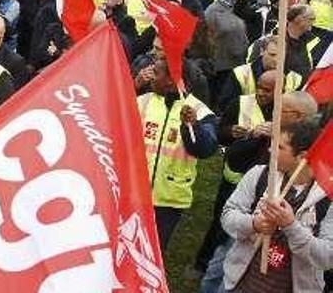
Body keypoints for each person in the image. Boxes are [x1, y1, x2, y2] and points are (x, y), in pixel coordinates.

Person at [221, 119, 333, 293]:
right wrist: (254, 223)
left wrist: (291, 226)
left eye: (280, 147)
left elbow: (327, 257)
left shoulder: (327, 198)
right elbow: (228, 215)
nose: (270, 149)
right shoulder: (260, 175)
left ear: (303, 157)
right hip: (241, 284)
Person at [139, 59, 218, 250]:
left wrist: (192, 127)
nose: (151, 77)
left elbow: (206, 150)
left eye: (156, 73)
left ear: (171, 80)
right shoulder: (142, 102)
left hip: (169, 199)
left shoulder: (199, 112)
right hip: (136, 192)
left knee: (154, 249)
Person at [218, 35, 303, 113]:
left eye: (281, 56)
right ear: (262, 51)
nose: (276, 60)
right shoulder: (241, 73)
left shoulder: (295, 79)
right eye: (272, 55)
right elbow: (225, 107)